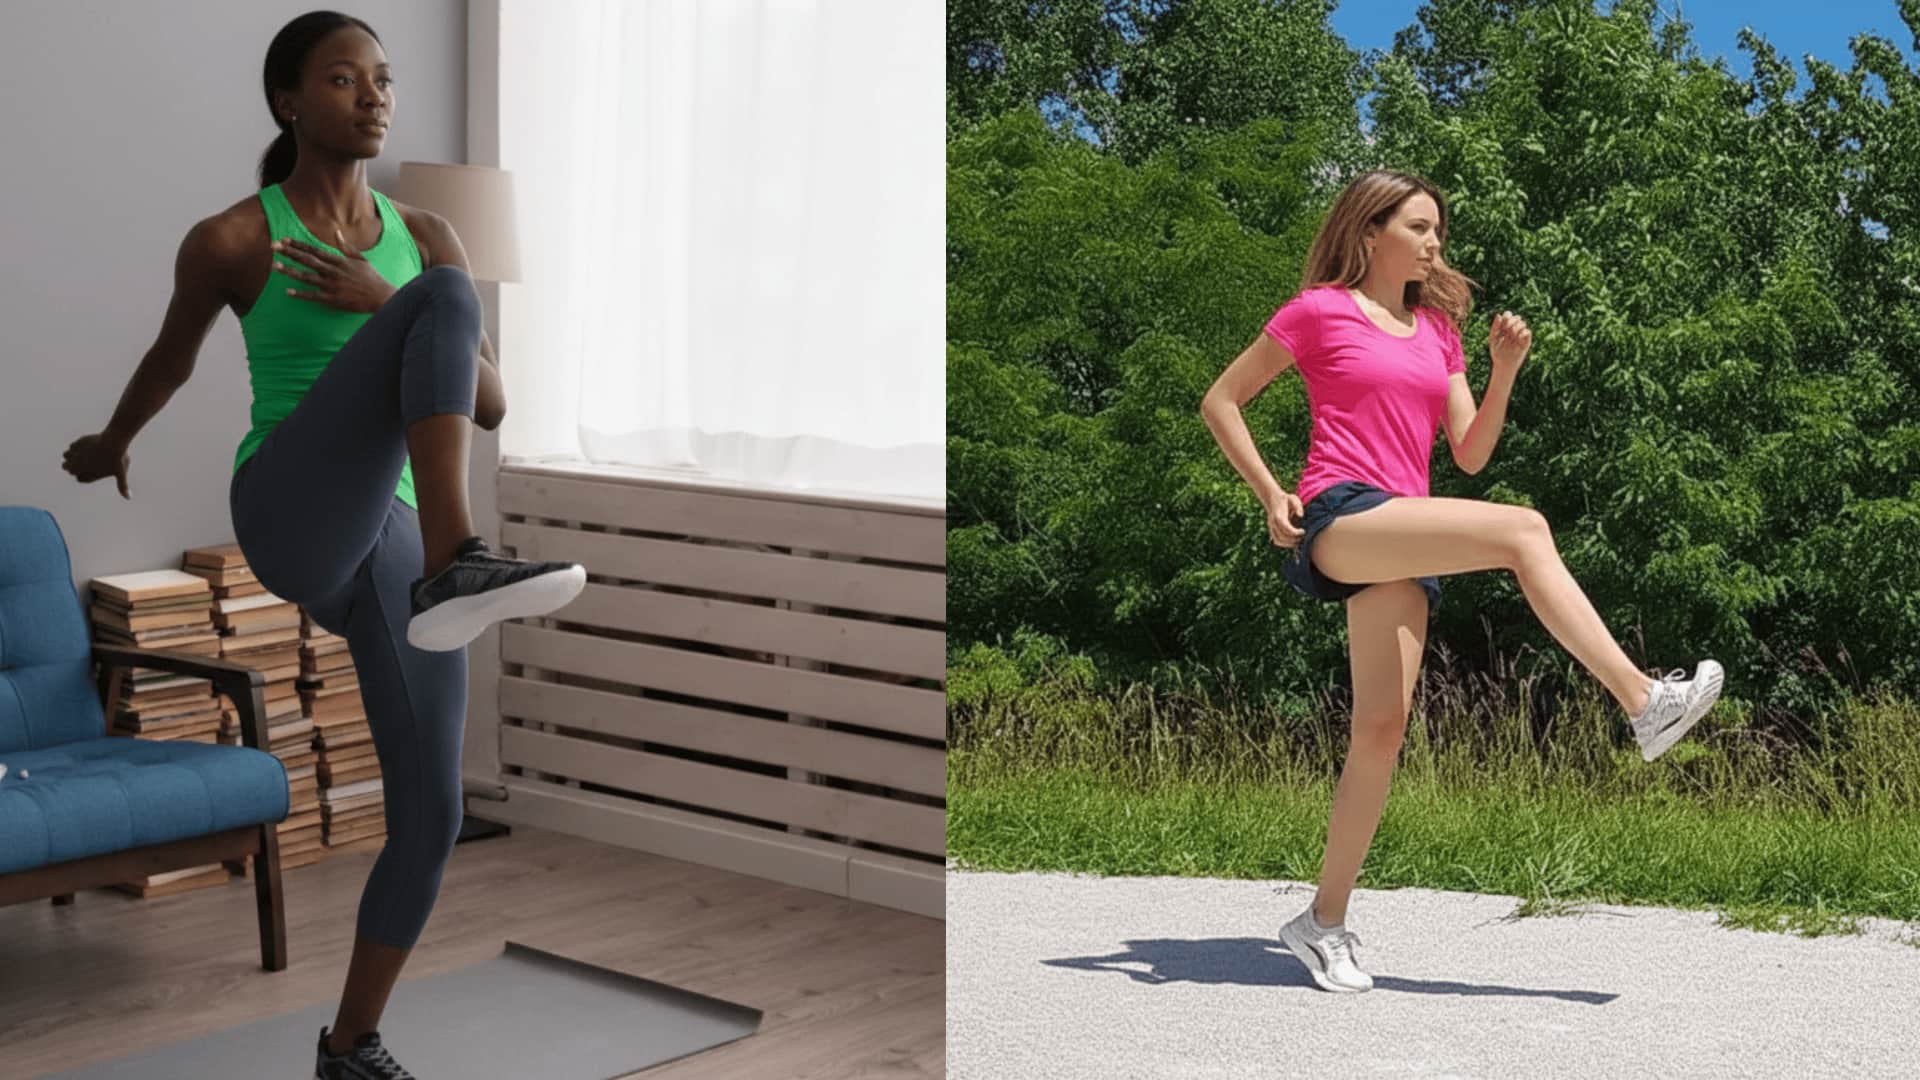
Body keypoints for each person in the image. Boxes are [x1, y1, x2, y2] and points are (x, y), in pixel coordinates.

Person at [59, 12, 585, 1076]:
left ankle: (350, 1045)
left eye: (383, 79)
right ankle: (459, 561)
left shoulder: (428, 239)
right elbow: (171, 360)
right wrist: (111, 442)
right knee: (438, 305)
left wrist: (387, 301)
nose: (375, 95)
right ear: (289, 102)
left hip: (387, 529)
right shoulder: (234, 239)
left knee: (431, 813)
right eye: (345, 79)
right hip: (291, 505)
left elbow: (490, 402)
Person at [1199, 169, 1724, 995]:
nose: (1435, 241)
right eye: (1419, 226)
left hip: (1403, 532)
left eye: (1438, 229)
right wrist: (1271, 493)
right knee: (1523, 529)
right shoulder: (1318, 312)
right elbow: (1222, 400)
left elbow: (1470, 452)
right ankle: (1641, 701)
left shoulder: (1437, 331)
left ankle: (1320, 923)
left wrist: (1502, 368)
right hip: (1342, 516)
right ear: (1370, 232)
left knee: (1381, 730)